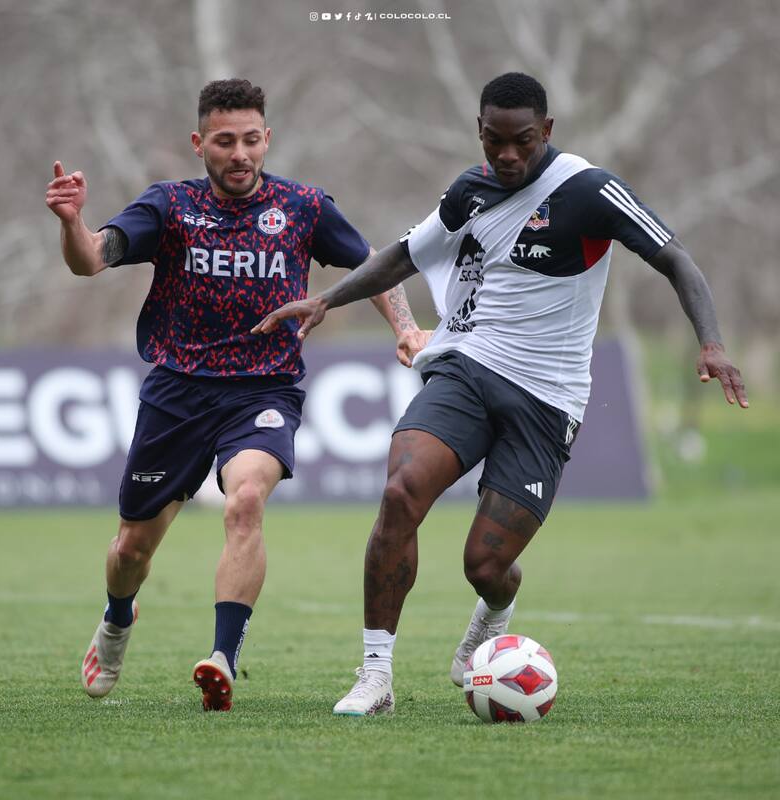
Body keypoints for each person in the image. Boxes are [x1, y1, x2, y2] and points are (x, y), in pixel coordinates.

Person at [252, 72, 749, 717]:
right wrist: (326, 298)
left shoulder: (589, 191)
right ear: (480, 133)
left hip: (547, 398)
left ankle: (495, 613)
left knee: (484, 565)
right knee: (401, 491)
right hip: (470, 365)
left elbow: (677, 258)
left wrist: (711, 342)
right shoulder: (471, 190)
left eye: (521, 142)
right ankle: (375, 677)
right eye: (494, 142)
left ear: (547, 131)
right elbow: (405, 253)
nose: (507, 156)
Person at [45, 78, 427, 712]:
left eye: (252, 140)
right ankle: (117, 619)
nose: (240, 154)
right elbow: (91, 260)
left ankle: (222, 657)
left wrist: (408, 328)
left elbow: (374, 266)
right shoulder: (169, 206)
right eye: (225, 141)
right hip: (176, 393)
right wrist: (73, 222)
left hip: (264, 390)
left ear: (267, 139)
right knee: (130, 551)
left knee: (245, 498)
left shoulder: (302, 206)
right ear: (200, 143)